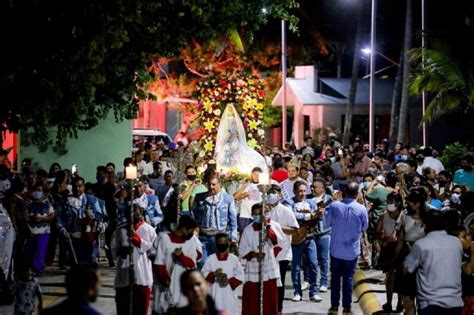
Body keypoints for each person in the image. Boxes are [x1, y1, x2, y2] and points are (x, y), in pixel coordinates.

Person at [404, 210, 463, 315]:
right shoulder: (456, 243)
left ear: (425, 226)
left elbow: (407, 269)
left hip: (430, 303)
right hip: (454, 302)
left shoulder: (421, 245)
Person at [326, 182, 368, 315]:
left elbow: (327, 223)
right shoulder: (361, 209)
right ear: (357, 194)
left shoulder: (334, 206)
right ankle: (346, 308)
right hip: (351, 251)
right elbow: (364, 227)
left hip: (336, 249)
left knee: (335, 279)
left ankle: (334, 307)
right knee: (348, 279)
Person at [239, 203, 284, 315]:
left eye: (260, 214)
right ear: (251, 215)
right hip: (253, 268)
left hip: (268, 268)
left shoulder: (273, 226)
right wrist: (254, 254)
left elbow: (276, 241)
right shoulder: (248, 230)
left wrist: (266, 225)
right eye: (255, 214)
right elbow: (242, 250)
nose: (257, 217)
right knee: (252, 302)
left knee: (269, 301)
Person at [112, 206, 157, 315]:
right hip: (124, 275)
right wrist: (120, 252)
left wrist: (139, 241)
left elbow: (155, 251)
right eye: (130, 213)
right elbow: (113, 249)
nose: (133, 216)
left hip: (142, 277)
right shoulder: (120, 230)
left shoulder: (149, 230)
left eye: (136, 213)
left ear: (141, 214)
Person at [153, 215, 202, 313]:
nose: (192, 234)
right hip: (165, 286)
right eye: (190, 231)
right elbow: (159, 262)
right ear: (184, 229)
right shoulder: (164, 239)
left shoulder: (191, 241)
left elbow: (192, 263)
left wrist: (181, 256)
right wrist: (165, 279)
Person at [283, 180, 322, 302]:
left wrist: (319, 214)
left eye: (304, 191)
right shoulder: (289, 202)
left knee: (314, 264)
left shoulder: (311, 202)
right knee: (295, 266)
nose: (302, 193)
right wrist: (307, 216)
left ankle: (314, 292)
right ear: (294, 191)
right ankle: (297, 292)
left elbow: (316, 217)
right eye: (300, 191)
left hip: (310, 238)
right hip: (296, 239)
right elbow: (290, 215)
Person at [393, 189, 427, 315]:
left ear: (417, 203)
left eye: (410, 203)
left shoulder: (429, 216)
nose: (407, 205)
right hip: (407, 258)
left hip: (424, 260)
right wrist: (395, 258)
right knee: (407, 298)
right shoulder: (405, 216)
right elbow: (401, 238)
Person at [266, 184, 299, 313]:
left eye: (274, 193)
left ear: (279, 196)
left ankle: (278, 309)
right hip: (267, 252)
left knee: (279, 281)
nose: (271, 195)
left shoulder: (286, 211)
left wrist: (277, 227)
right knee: (268, 281)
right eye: (269, 193)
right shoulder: (265, 210)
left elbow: (295, 230)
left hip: (282, 252)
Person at [192, 175, 238, 268]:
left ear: (219, 185)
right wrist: (194, 229)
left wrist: (233, 235)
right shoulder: (199, 197)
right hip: (203, 235)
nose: (211, 187)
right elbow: (194, 215)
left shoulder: (228, 199)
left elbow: (233, 218)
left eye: (213, 184)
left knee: (217, 264)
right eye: (209, 184)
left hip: (219, 236)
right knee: (202, 262)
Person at [213, 104, 268, 174]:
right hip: (226, 142)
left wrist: (234, 135)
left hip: (234, 141)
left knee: (237, 153)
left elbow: (239, 132)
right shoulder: (224, 120)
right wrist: (227, 136)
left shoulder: (235, 121)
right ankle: (226, 171)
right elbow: (222, 133)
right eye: (229, 110)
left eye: (231, 110)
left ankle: (235, 170)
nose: (230, 111)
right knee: (224, 155)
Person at [201, 233, 244, 315]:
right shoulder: (211, 258)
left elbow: (241, 274)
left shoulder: (233, 259)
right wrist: (214, 274)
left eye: (225, 241)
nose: (223, 243)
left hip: (229, 293)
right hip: (215, 292)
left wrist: (229, 281)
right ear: (216, 243)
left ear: (228, 243)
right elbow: (204, 274)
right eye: (220, 241)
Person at [375, 192, 404, 313]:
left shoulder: (403, 217)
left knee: (401, 277)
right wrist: (382, 242)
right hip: (388, 248)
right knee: (390, 277)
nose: (389, 204)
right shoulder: (384, 216)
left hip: (401, 248)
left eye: (391, 201)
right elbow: (377, 232)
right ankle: (389, 302)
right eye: (388, 201)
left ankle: (399, 303)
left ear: (398, 203)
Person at [25, 183, 55, 276]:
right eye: (36, 190)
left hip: (43, 231)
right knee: (30, 250)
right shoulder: (29, 203)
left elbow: (52, 215)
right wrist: (31, 217)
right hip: (31, 231)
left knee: (40, 249)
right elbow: (25, 214)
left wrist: (43, 218)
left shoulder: (47, 203)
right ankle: (29, 268)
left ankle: (38, 269)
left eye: (39, 190)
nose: (37, 192)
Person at [233, 167, 263, 232]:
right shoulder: (245, 185)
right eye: (254, 174)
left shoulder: (262, 186)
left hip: (256, 216)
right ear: (251, 174)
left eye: (258, 175)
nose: (256, 177)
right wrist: (243, 187)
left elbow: (256, 196)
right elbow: (235, 197)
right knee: (243, 235)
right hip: (244, 215)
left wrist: (245, 195)